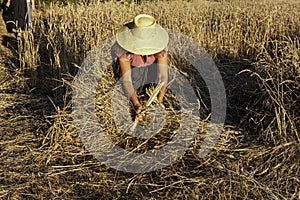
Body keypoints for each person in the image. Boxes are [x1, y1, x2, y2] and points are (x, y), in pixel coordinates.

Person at [112, 14, 169, 119]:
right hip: (133, 71)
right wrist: (136, 104)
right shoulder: (123, 51)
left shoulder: (161, 49)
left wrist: (158, 100)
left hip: (150, 69)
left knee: (154, 82)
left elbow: (163, 76)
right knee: (135, 77)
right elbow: (127, 80)